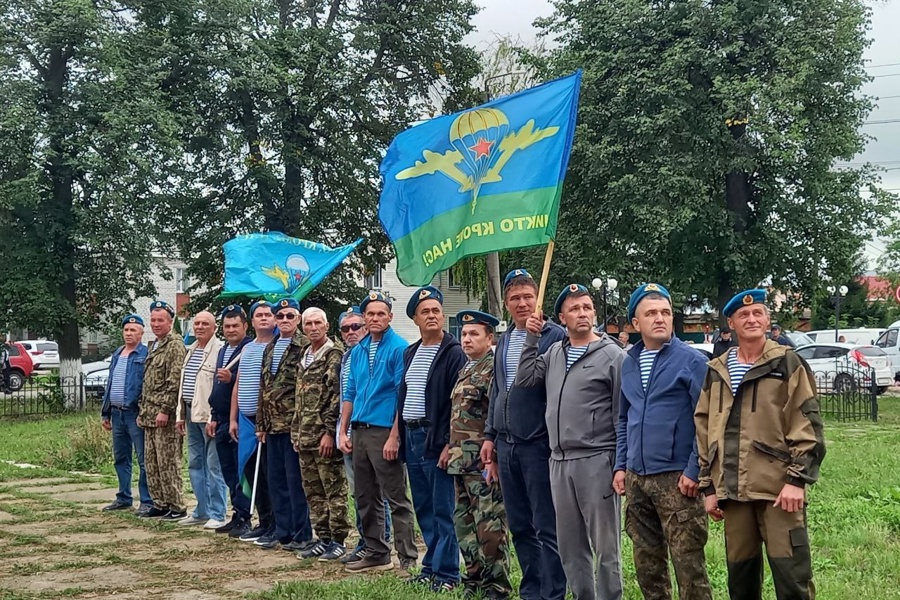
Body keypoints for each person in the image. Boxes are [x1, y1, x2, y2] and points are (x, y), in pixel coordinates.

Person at [695, 289, 825, 600]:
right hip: (733, 491)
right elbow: (704, 427)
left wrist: (797, 480)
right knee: (741, 582)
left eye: (758, 314)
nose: (751, 319)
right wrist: (708, 487)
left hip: (778, 490)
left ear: (767, 320)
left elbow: (807, 422)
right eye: (743, 315)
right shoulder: (717, 370)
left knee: (792, 578)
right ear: (732, 323)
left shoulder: (787, 363)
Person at [516, 284, 624, 600]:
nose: (582, 313)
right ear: (562, 317)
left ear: (594, 313)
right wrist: (531, 337)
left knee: (605, 546)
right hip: (559, 461)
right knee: (570, 545)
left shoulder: (613, 355)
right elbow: (525, 379)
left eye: (587, 307)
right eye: (574, 309)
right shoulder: (554, 353)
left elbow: (621, 415)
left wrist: (620, 464)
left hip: (597, 459)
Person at [613, 284, 713, 600]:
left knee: (689, 567)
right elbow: (623, 418)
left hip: (678, 480)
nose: (660, 319)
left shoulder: (692, 361)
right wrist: (620, 466)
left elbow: (707, 420)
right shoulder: (628, 362)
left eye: (665, 312)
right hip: (637, 478)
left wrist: (695, 470)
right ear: (635, 323)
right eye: (651, 313)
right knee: (647, 565)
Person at [480, 269, 567, 600]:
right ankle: (532, 589)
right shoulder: (503, 340)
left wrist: (537, 336)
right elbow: (498, 388)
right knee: (519, 526)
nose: (522, 303)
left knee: (546, 526)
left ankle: (553, 591)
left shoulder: (554, 336)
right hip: (506, 445)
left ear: (538, 298)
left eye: (527, 296)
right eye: (514, 298)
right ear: (505, 303)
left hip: (538, 445)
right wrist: (490, 435)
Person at [338, 291, 418, 573]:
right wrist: (343, 430)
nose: (375, 318)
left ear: (390, 317)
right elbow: (350, 391)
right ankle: (375, 550)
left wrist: (395, 436)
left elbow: (402, 394)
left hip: (384, 430)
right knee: (364, 495)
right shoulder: (358, 350)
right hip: (359, 430)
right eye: (370, 314)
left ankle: (407, 556)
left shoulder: (399, 348)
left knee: (395, 496)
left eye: (380, 313)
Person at [398, 286, 466, 591]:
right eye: (425, 311)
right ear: (415, 318)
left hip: (436, 437)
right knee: (423, 506)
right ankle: (431, 567)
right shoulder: (410, 352)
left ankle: (448, 573)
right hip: (411, 435)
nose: (432, 316)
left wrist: (451, 443)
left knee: (443, 508)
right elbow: (404, 395)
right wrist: (396, 436)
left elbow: (458, 402)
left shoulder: (453, 352)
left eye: (436, 310)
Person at [448, 310, 512, 600]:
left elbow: (498, 416)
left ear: (490, 338)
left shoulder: (492, 371)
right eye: (463, 334)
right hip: (461, 462)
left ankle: (497, 586)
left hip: (483, 463)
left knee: (490, 526)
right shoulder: (466, 369)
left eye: (474, 334)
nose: (467, 339)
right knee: (465, 524)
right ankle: (473, 579)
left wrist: (495, 455)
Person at [292, 307, 349, 561]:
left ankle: (338, 540)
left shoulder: (333, 354)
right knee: (313, 491)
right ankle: (322, 537)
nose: (313, 327)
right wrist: (296, 432)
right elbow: (299, 398)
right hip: (304, 435)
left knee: (333, 489)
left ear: (327, 326)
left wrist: (329, 432)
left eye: (318, 323)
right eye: (308, 323)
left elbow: (336, 396)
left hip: (323, 436)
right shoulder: (305, 354)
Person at [256, 298, 313, 551]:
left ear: (298, 319)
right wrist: (261, 423)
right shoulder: (271, 346)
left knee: (296, 482)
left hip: (293, 425)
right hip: (272, 426)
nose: (285, 320)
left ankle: (302, 534)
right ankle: (283, 532)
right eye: (281, 316)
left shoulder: (304, 346)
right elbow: (264, 387)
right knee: (276, 481)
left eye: (290, 316)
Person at [337, 306, 392, 562]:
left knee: (379, 492)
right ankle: (366, 541)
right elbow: (348, 395)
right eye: (346, 328)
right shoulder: (349, 357)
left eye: (356, 326)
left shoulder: (385, 350)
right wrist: (342, 430)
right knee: (359, 492)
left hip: (377, 430)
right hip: (351, 433)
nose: (351, 332)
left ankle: (381, 542)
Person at [174, 311, 227, 529]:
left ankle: (218, 512)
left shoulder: (219, 350)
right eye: (196, 323)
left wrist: (215, 416)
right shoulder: (191, 349)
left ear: (214, 327)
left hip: (208, 416)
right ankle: (201, 510)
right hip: (189, 413)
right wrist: (179, 414)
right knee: (195, 463)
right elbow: (183, 385)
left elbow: (219, 387)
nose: (199, 327)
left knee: (213, 465)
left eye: (205, 323)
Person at [230, 300, 277, 542]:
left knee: (268, 473)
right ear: (252, 321)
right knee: (250, 471)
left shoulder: (277, 345)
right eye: (259, 315)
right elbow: (238, 384)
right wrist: (233, 418)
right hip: (245, 420)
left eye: (269, 314)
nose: (264, 318)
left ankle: (275, 523)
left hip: (265, 422)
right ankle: (263, 519)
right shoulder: (247, 348)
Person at [138, 300, 187, 520]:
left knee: (168, 461)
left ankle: (176, 505)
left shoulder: (175, 344)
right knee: (152, 461)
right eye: (153, 320)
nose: (156, 324)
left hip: (164, 414)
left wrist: (165, 409)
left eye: (160, 320)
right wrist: (142, 411)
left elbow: (174, 380)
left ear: (171, 321)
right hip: (148, 413)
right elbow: (148, 382)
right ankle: (159, 502)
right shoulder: (154, 345)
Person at [207, 305, 253, 537]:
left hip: (239, 420)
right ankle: (236, 513)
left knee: (240, 469)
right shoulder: (224, 350)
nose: (231, 330)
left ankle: (246, 516)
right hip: (221, 417)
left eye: (236, 325)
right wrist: (213, 417)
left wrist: (232, 377)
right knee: (227, 470)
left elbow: (246, 382)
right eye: (227, 326)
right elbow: (218, 387)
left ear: (245, 326)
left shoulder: (250, 348)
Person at [101, 314, 152, 515]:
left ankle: (147, 500)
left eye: (133, 330)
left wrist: (143, 411)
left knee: (143, 459)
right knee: (121, 458)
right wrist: (106, 413)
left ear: (141, 333)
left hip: (134, 414)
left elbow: (146, 386)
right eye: (126, 330)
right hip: (116, 413)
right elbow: (110, 383)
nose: (129, 333)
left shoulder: (144, 355)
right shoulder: (118, 353)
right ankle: (123, 497)